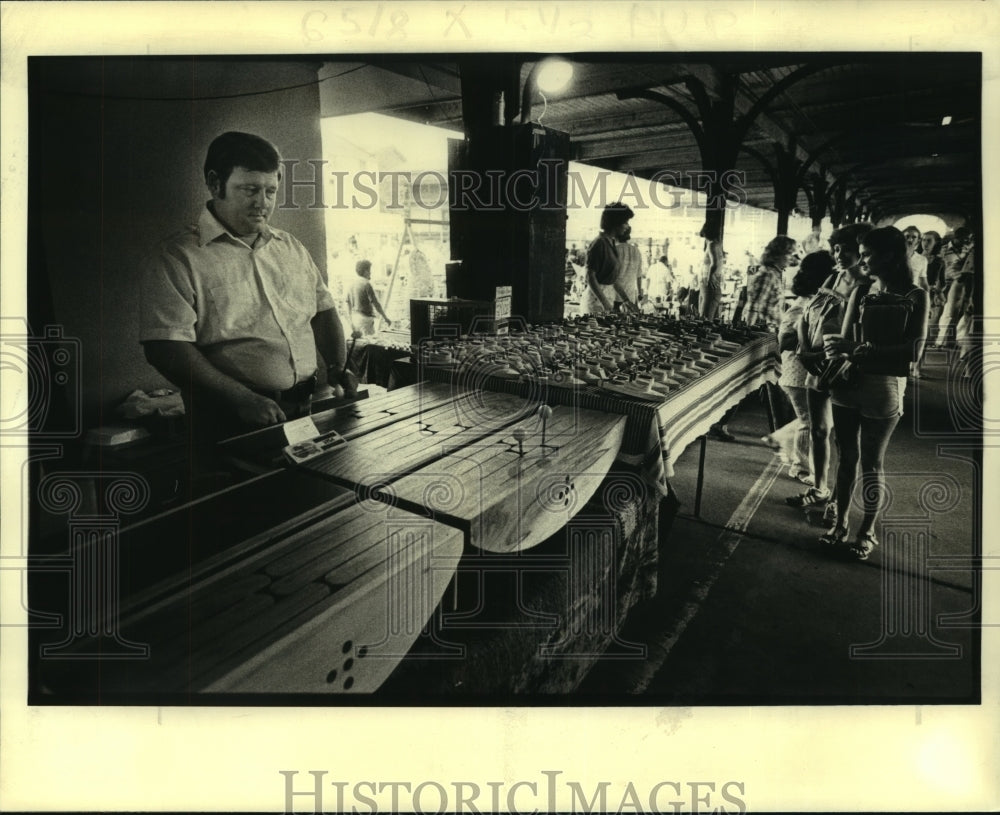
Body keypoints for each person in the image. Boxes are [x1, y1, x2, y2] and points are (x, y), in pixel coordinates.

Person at [139, 131, 357, 455]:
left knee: (305, 497)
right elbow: (165, 347)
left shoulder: (291, 248)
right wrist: (240, 397)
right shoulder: (178, 257)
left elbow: (323, 311)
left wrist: (338, 365)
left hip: (302, 410)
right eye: (250, 190)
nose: (263, 203)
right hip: (225, 419)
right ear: (215, 184)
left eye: (271, 191)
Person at [822, 226, 929, 560]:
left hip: (884, 386)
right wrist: (838, 350)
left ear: (891, 256)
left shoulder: (916, 296)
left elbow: (912, 351)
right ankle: (840, 522)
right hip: (850, 381)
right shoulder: (862, 290)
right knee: (845, 458)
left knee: (871, 462)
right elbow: (843, 341)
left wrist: (857, 348)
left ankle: (866, 531)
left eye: (868, 254)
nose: (863, 259)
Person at [786, 221, 873, 516]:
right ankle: (819, 487)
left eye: (845, 249)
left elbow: (859, 337)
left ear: (860, 252)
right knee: (819, 430)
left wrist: (827, 360)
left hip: (841, 368)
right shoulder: (833, 279)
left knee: (844, 439)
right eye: (835, 248)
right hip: (815, 361)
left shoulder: (866, 286)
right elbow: (805, 316)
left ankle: (837, 499)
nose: (838, 254)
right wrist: (805, 351)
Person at [763, 251, 836, 484]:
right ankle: (801, 467)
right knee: (810, 422)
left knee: (821, 421)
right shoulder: (803, 305)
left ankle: (782, 439)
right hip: (796, 372)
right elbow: (783, 341)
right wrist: (807, 344)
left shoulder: (817, 301)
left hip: (805, 372)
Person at [585, 202, 639, 314]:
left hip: (607, 297)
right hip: (597, 300)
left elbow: (613, 279)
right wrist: (605, 303)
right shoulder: (600, 243)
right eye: (625, 222)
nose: (627, 226)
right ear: (616, 222)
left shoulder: (611, 243)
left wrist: (626, 300)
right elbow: (590, 276)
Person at [930, 226, 975, 348]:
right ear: (956, 238)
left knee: (962, 311)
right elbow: (940, 270)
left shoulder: (968, 249)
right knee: (946, 313)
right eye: (964, 239)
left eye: (968, 239)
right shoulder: (943, 250)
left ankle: (952, 341)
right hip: (947, 283)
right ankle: (940, 341)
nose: (966, 241)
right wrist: (938, 289)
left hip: (963, 282)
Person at [746, 235, 797, 331]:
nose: (791, 258)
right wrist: (749, 333)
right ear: (778, 255)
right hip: (765, 332)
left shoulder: (773, 273)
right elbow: (754, 308)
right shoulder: (768, 275)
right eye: (789, 254)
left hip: (773, 330)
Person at [346, 258, 393, 337]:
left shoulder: (351, 284)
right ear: (366, 271)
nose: (370, 273)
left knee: (359, 343)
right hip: (365, 320)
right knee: (369, 343)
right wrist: (385, 317)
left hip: (355, 318)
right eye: (369, 270)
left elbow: (348, 303)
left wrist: (350, 320)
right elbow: (375, 303)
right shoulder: (366, 284)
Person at [698, 222, 724, 321]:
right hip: (712, 284)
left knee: (704, 318)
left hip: (709, 284)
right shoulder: (717, 244)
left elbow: (715, 263)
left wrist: (709, 279)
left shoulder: (712, 245)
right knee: (706, 317)